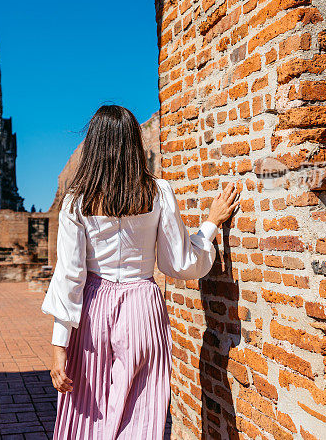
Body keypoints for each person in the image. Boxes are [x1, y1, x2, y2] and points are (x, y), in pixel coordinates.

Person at [41, 105, 240, 439]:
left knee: (90, 414)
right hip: (143, 306)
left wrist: (58, 345)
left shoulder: (77, 201)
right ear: (133, 143)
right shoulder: (158, 191)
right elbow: (179, 262)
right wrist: (210, 223)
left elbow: (70, 277)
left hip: (93, 311)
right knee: (141, 416)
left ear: (94, 145)